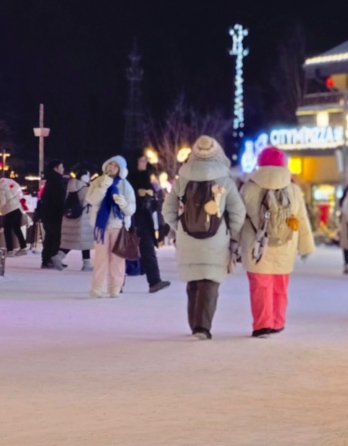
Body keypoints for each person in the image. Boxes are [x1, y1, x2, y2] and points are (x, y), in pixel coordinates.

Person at [162, 136, 246, 340]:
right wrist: (231, 234)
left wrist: (180, 227)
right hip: (216, 241)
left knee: (193, 283)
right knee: (209, 283)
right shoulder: (225, 180)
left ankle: (195, 325)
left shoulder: (183, 179)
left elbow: (168, 210)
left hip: (187, 239)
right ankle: (202, 327)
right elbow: (238, 212)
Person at [238, 146, 314, 337]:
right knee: (280, 286)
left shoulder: (249, 187)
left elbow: (237, 218)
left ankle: (262, 325)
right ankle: (278, 321)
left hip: (256, 247)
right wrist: (306, 246)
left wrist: (232, 244)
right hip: (285, 245)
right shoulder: (293, 189)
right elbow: (302, 218)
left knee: (260, 287)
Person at [85, 155, 136, 298]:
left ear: (120, 169)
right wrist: (103, 186)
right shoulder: (98, 181)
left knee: (118, 259)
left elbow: (131, 209)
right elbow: (92, 200)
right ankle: (98, 287)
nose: (111, 167)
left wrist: (123, 203)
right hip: (100, 227)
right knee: (100, 258)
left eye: (115, 165)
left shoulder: (125, 185)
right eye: (110, 164)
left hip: (118, 226)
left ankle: (115, 287)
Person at [128, 154, 170, 293]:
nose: (144, 163)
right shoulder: (129, 178)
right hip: (131, 218)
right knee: (123, 251)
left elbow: (155, 201)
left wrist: (149, 199)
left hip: (145, 218)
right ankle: (115, 284)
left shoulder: (147, 177)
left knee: (148, 249)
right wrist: (139, 197)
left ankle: (154, 281)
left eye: (145, 160)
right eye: (141, 160)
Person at [58, 162, 94, 271]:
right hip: (83, 218)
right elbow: (91, 201)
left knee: (72, 241)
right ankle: (87, 264)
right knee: (85, 242)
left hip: (70, 217)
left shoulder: (70, 186)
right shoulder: (85, 189)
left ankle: (58, 256)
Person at [38, 159, 68, 269]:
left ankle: (46, 260)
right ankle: (51, 259)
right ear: (55, 168)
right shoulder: (57, 181)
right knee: (55, 237)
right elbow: (59, 200)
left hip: (47, 213)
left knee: (50, 236)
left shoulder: (51, 180)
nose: (63, 169)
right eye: (61, 167)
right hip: (54, 214)